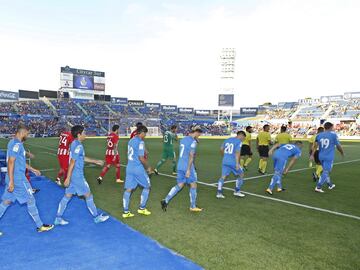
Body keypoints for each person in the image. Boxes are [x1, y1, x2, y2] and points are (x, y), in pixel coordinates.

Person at [0, 124, 54, 235]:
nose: (27, 135)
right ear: (22, 132)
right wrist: (11, 181)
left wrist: (33, 169)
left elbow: (19, 161)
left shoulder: (12, 142)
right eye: (27, 133)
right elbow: (11, 162)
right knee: (30, 200)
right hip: (18, 179)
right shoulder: (17, 145)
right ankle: (40, 226)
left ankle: (40, 225)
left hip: (12, 177)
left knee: (6, 202)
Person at [54, 125, 109, 226]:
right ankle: (96, 217)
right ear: (79, 134)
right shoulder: (78, 146)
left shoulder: (74, 144)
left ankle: (58, 218)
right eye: (84, 133)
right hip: (77, 176)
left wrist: (96, 161)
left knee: (67, 196)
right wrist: (68, 178)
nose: (85, 134)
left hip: (74, 175)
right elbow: (72, 162)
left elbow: (81, 158)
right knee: (88, 195)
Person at [161, 126, 203, 212]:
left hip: (180, 165)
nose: (199, 136)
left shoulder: (183, 139)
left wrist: (195, 139)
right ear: (197, 132)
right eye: (199, 134)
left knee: (180, 184)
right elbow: (191, 156)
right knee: (193, 185)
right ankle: (192, 206)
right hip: (187, 166)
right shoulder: (193, 142)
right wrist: (188, 169)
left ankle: (166, 200)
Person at [122, 125, 152, 218]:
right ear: (142, 132)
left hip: (129, 167)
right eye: (145, 134)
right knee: (147, 187)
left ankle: (126, 212)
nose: (145, 135)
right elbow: (141, 158)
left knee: (129, 189)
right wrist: (148, 167)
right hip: (137, 168)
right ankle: (142, 208)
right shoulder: (140, 142)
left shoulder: (131, 140)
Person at [311, 122, 344, 193]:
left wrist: (312, 155)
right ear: (330, 127)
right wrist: (342, 152)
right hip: (328, 156)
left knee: (325, 171)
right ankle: (318, 187)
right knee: (326, 171)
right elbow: (338, 146)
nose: (333, 128)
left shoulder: (318, 135)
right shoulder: (333, 135)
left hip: (321, 156)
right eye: (333, 127)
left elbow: (315, 146)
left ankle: (330, 184)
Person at [216, 131, 246, 199]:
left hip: (225, 161)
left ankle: (219, 193)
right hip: (232, 162)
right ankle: (237, 191)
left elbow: (221, 149)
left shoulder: (227, 139)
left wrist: (225, 156)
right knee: (241, 174)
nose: (243, 139)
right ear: (241, 135)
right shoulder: (239, 142)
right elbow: (237, 153)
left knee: (223, 176)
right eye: (243, 138)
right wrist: (237, 163)